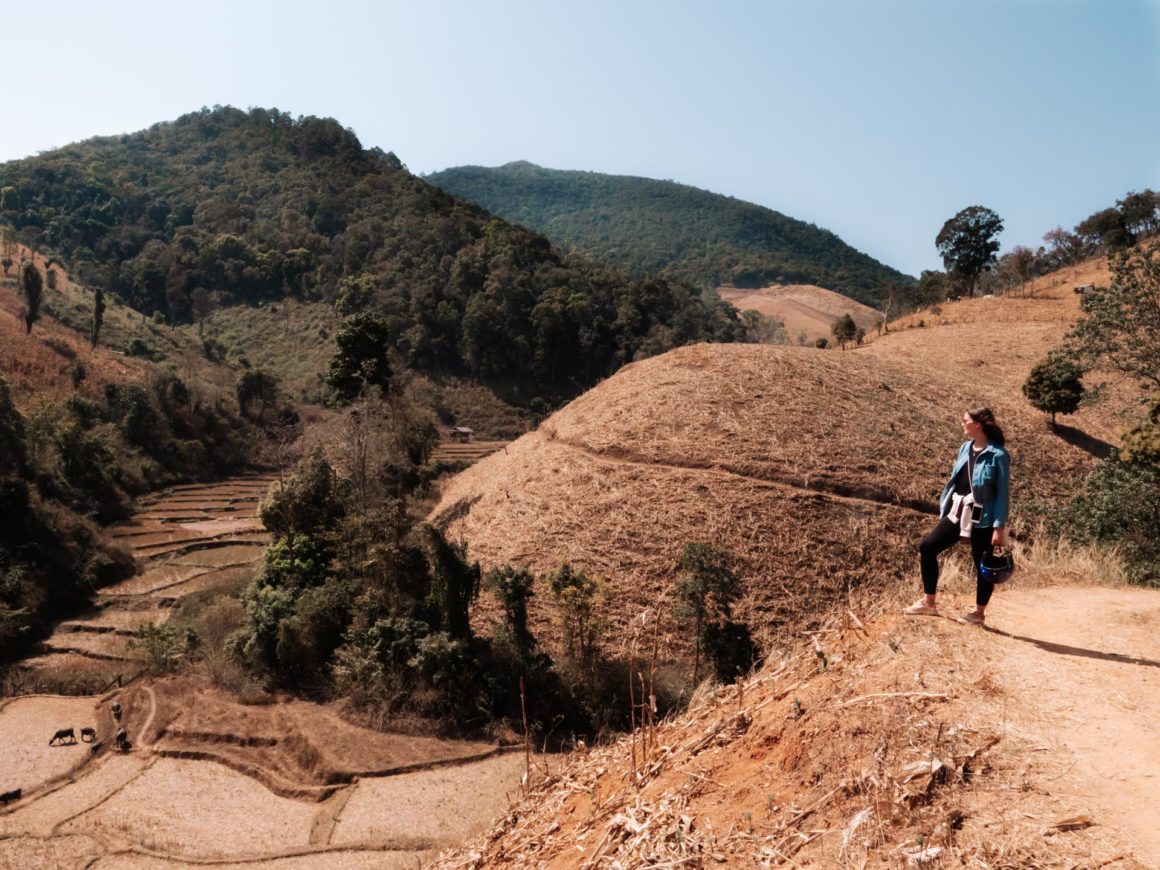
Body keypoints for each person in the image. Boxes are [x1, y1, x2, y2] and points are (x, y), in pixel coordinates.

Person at [906, 407, 1010, 626]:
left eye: (965, 421)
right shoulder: (965, 448)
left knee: (982, 564)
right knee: (928, 547)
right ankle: (929, 603)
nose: (962, 424)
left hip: (984, 517)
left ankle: (978, 614)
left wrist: (998, 528)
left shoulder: (998, 455)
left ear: (977, 424)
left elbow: (1002, 494)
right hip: (958, 510)